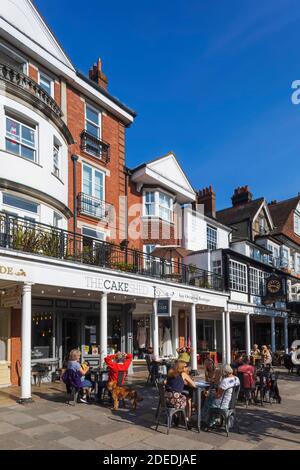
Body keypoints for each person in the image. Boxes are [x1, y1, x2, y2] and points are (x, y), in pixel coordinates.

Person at [165, 361, 196, 427]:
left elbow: (165, 382)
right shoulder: (183, 374)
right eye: (185, 366)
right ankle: (187, 420)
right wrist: (188, 382)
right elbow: (194, 385)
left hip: (167, 400)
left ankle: (177, 417)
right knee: (188, 400)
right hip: (176, 401)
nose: (187, 368)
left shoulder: (170, 373)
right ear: (181, 367)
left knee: (181, 396)